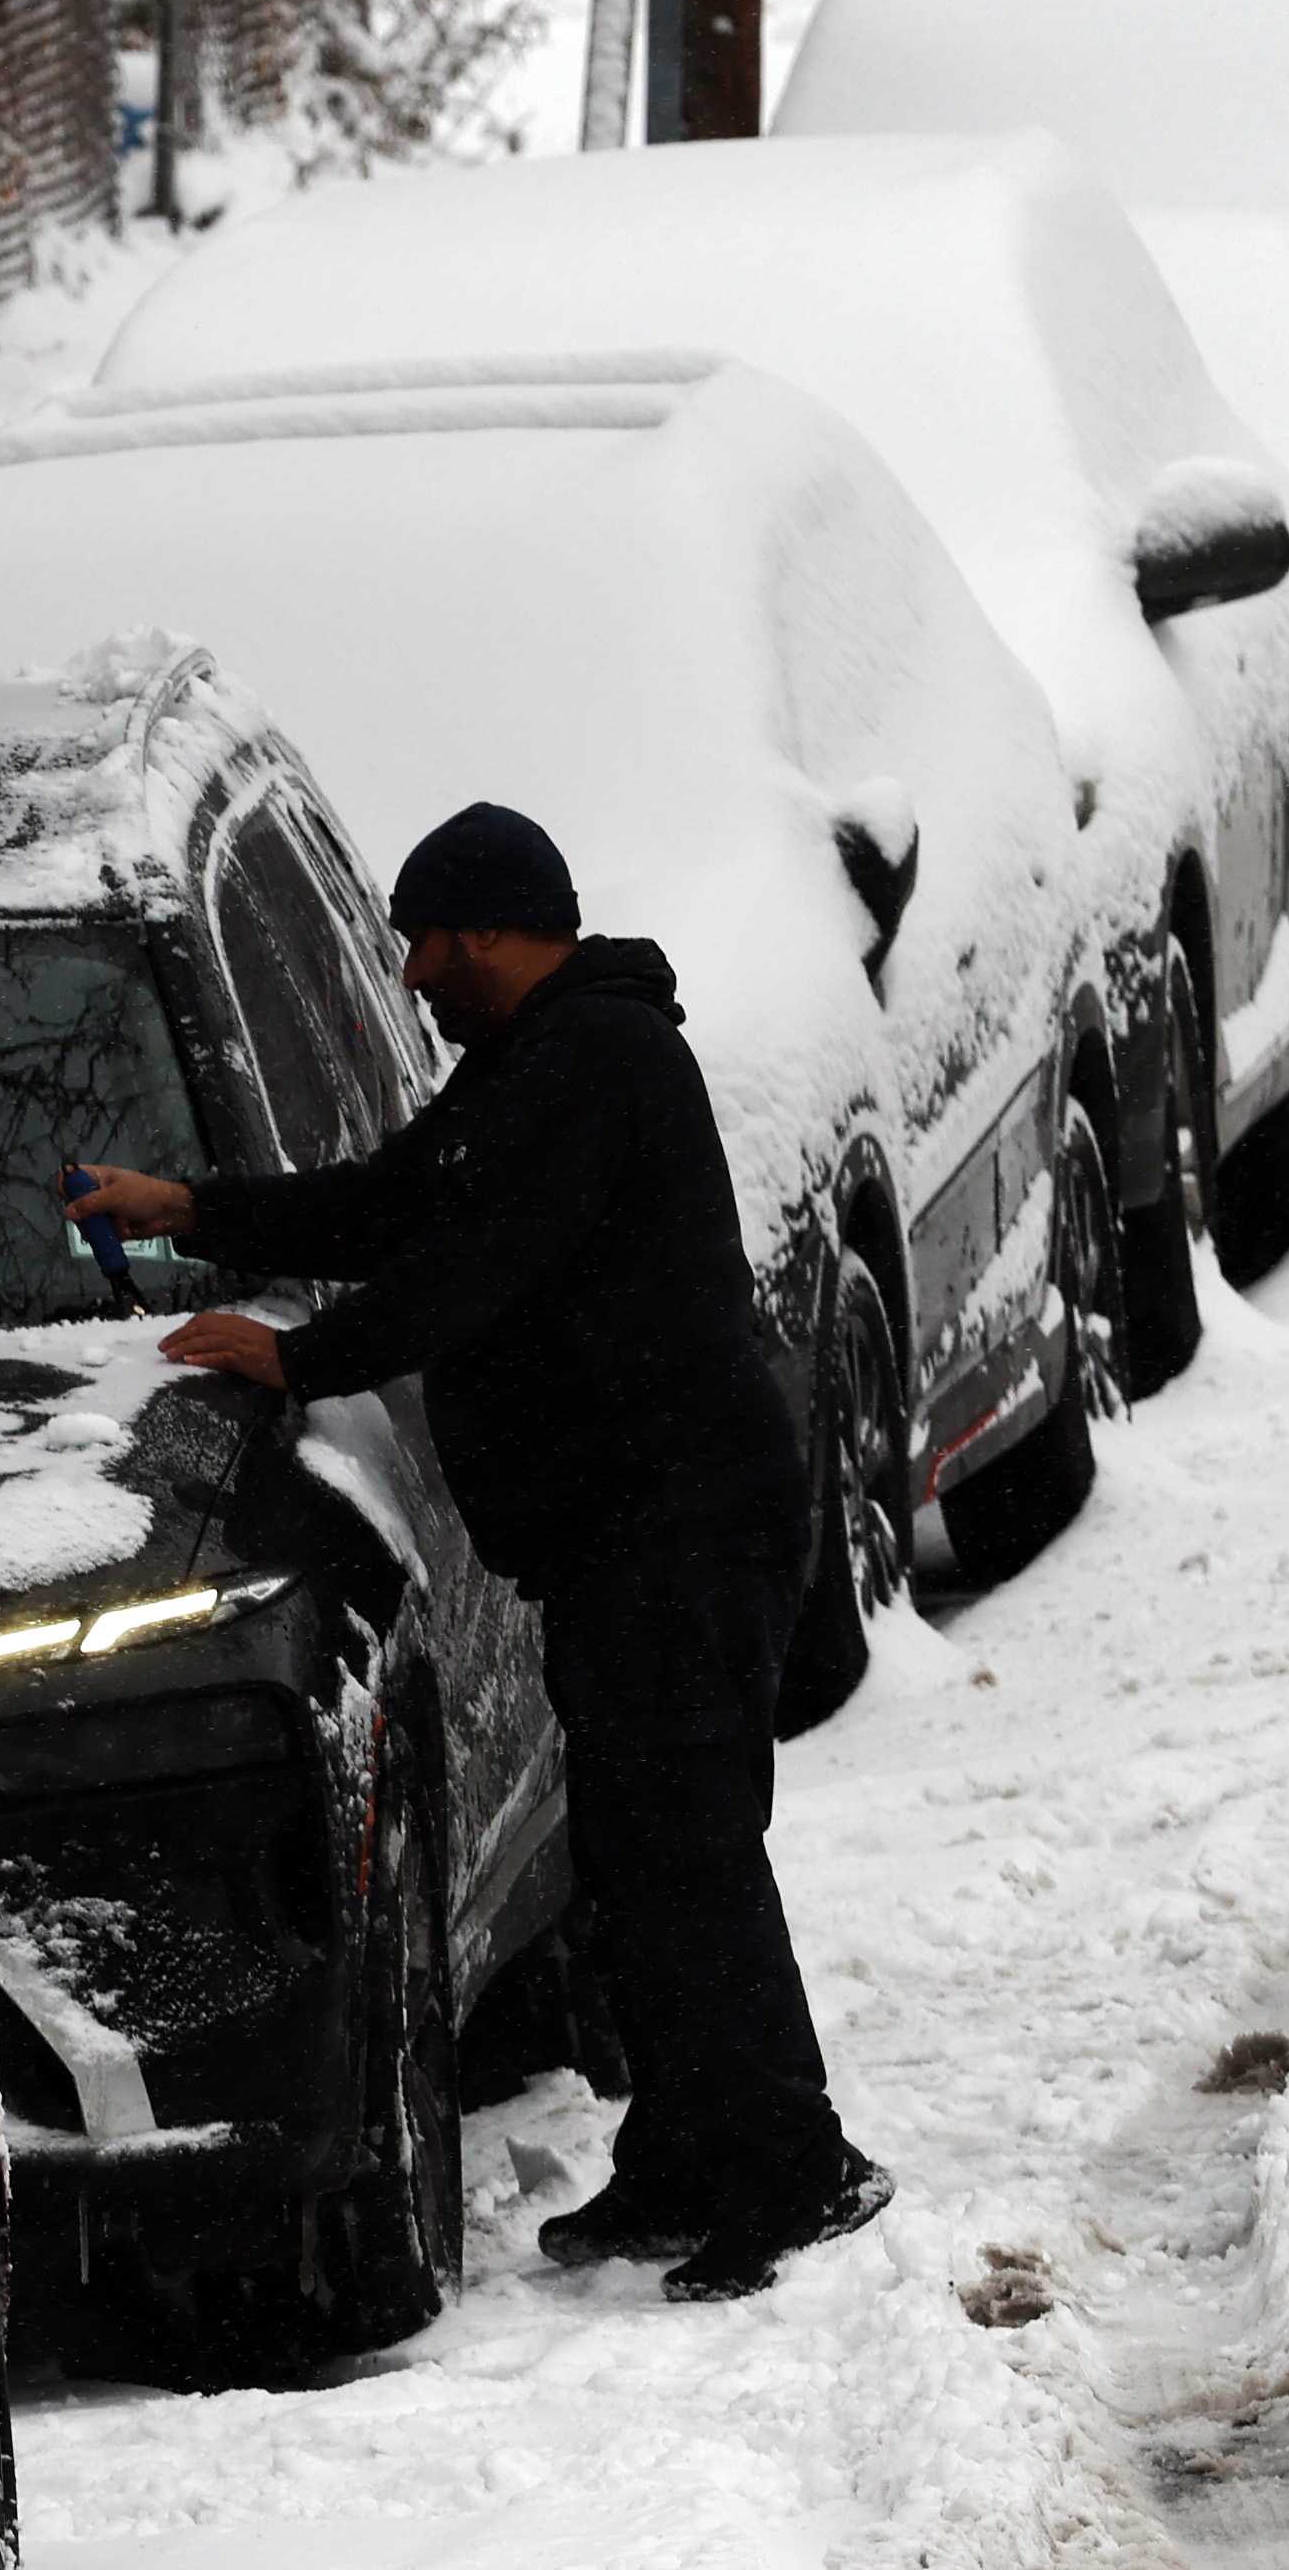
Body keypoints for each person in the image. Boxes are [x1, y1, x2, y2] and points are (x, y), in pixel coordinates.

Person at [63, 799, 891, 2304]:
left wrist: (299, 1358)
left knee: (689, 1852)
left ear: (493, 927)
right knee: (634, 1858)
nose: (413, 969)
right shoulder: (533, 1065)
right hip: (623, 1534)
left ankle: (792, 2167)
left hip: (684, 1527)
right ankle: (687, 2152)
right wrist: (185, 1207)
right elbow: (391, 1202)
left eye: (427, 940)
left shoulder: (598, 1065)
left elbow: (467, 1268)